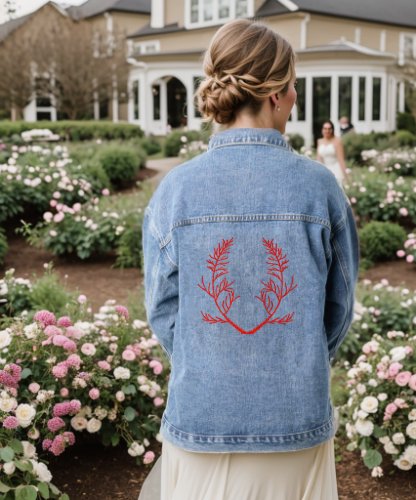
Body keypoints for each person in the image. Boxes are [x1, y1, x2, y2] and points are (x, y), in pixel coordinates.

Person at [141, 19, 358, 500]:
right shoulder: (319, 187)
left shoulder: (175, 189)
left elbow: (163, 310)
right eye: (295, 85)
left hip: (201, 415)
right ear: (278, 94)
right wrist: (294, 356)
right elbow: (338, 309)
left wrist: (211, 359)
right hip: (294, 417)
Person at [316, 120, 349, 185]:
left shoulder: (337, 141)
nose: (327, 131)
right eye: (325, 128)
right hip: (324, 170)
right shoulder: (319, 141)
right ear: (322, 130)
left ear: (332, 130)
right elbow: (319, 159)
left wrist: (346, 177)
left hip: (336, 171)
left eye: (329, 129)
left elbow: (341, 160)